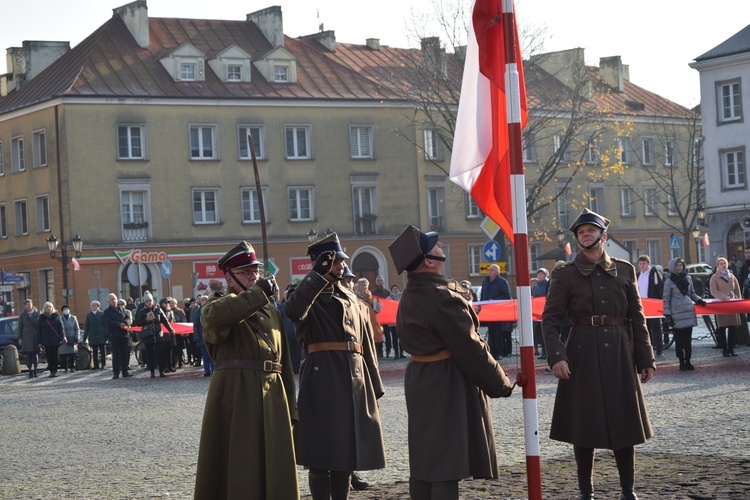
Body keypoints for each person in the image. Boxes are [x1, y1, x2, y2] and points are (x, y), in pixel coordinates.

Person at [388, 225, 513, 499]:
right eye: (435, 245)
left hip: (422, 378)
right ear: (429, 261)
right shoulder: (441, 298)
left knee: (425, 461)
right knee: (445, 464)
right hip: (445, 382)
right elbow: (470, 349)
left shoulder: (413, 292)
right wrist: (502, 384)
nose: (441, 244)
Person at [542, 208, 656, 500]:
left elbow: (637, 317)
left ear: (603, 236)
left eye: (591, 230)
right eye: (581, 232)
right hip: (581, 352)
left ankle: (628, 491)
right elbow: (550, 320)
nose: (585, 235)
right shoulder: (565, 274)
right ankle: (585, 491)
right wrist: (557, 356)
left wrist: (645, 358)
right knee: (584, 423)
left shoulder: (625, 269)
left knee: (625, 422)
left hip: (619, 350)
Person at [285, 232, 385, 500]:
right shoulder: (306, 291)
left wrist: (374, 384)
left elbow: (364, 342)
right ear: (320, 264)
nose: (342, 266)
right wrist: (315, 277)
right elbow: (293, 311)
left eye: (342, 261)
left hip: (353, 377)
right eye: (335, 262)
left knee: (345, 455)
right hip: (322, 378)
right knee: (320, 454)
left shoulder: (350, 295)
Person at [194, 241, 298, 499]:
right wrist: (256, 294)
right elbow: (217, 318)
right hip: (236, 396)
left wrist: (290, 406)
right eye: (246, 273)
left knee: (275, 468)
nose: (253, 276)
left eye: (256, 272)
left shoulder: (270, 309)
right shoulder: (218, 304)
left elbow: (282, 361)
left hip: (272, 395)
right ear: (229, 278)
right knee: (240, 465)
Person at [663, 257, 706, 370]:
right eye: (677, 265)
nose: (679, 268)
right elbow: (666, 299)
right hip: (676, 313)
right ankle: (681, 361)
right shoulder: (669, 281)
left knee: (687, 339)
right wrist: (667, 314)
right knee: (679, 340)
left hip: (688, 311)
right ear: (673, 267)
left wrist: (699, 300)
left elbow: (691, 293)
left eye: (681, 265)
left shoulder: (688, 278)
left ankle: (688, 360)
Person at [134, 291, 175, 378]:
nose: (149, 302)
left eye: (150, 301)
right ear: (145, 302)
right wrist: (146, 320)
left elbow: (165, 321)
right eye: (147, 301)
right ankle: (152, 372)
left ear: (153, 301)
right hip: (148, 336)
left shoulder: (158, 309)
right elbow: (137, 322)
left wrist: (171, 330)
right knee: (150, 355)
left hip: (158, 335)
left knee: (160, 354)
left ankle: (161, 371)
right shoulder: (142, 311)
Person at [709, 256, 742, 357]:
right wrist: (723, 297)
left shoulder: (731, 276)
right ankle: (724, 350)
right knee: (722, 328)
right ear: (717, 266)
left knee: (732, 327)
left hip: (732, 304)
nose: (724, 265)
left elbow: (737, 289)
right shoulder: (714, 277)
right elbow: (713, 291)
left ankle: (731, 349)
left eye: (725, 263)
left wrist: (738, 299)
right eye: (721, 263)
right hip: (721, 304)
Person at [480, 263, 512, 359]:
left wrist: (494, 300)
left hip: (498, 310)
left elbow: (506, 296)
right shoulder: (485, 282)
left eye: (492, 270)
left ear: (497, 272)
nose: (490, 271)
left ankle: (499, 352)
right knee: (491, 331)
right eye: (489, 270)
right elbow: (483, 295)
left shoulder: (502, 282)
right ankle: (491, 352)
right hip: (488, 310)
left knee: (498, 332)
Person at [636, 255, 665, 356]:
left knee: (656, 326)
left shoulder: (653, 273)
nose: (642, 265)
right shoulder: (638, 275)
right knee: (646, 327)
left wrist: (661, 301)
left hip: (652, 303)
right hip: (642, 304)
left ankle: (659, 348)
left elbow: (659, 287)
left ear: (648, 263)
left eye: (644, 263)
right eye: (640, 264)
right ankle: (649, 347)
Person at [355, 277, 385, 359]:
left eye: (365, 285)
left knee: (374, 334)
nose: (364, 287)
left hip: (371, 317)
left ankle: (377, 351)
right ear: (358, 286)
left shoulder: (370, 295)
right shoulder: (356, 295)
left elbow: (375, 308)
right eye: (362, 285)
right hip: (361, 316)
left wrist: (377, 304)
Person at [103, 293, 132, 379]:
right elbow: (108, 322)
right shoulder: (107, 311)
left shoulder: (122, 309)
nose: (113, 301)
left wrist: (125, 323)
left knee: (125, 354)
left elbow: (128, 318)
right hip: (115, 336)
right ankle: (116, 372)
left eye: (114, 299)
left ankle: (125, 371)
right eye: (111, 299)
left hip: (124, 335)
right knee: (115, 355)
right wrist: (119, 324)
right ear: (108, 301)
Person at [39, 302, 65, 378]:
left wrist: (61, 338)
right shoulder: (42, 317)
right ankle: (51, 370)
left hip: (55, 339)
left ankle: (55, 370)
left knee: (55, 356)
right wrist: (40, 341)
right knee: (49, 356)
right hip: (46, 340)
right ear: (44, 308)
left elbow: (61, 328)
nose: (48, 308)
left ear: (52, 307)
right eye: (47, 307)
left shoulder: (56, 316)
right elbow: (39, 330)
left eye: (50, 307)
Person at [18, 299, 41, 378]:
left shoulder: (38, 313)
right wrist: (20, 338)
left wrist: (41, 337)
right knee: (28, 355)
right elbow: (20, 327)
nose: (28, 306)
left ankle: (35, 370)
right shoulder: (23, 315)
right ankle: (30, 371)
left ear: (32, 304)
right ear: (25, 306)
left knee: (35, 354)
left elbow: (41, 327)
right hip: (26, 338)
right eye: (26, 305)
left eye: (29, 304)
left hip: (35, 337)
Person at [191, 294, 213, 376]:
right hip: (202, 336)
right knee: (205, 355)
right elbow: (195, 325)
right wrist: (196, 337)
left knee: (212, 354)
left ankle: (213, 370)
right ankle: (207, 370)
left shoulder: (212, 310)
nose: (204, 301)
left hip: (211, 336)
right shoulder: (198, 312)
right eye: (203, 300)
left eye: (205, 300)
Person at [84, 301, 108, 370]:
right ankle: (96, 365)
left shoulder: (102, 314)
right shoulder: (89, 315)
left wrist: (106, 335)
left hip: (101, 335)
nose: (94, 306)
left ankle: (103, 364)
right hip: (93, 336)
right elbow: (87, 327)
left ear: (98, 306)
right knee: (94, 352)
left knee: (102, 351)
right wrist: (85, 337)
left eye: (96, 305)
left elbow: (105, 325)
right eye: (93, 305)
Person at [532, 268, 550, 359]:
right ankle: (541, 351)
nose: (540, 276)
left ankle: (546, 352)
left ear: (545, 275)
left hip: (544, 311)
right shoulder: (535, 286)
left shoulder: (548, 284)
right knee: (537, 332)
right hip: (536, 313)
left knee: (544, 332)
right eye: (538, 274)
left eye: (542, 274)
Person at [59, 304, 80, 373]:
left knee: (72, 354)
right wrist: (62, 337)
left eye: (67, 309)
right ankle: (65, 368)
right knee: (64, 354)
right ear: (62, 311)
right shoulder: (60, 318)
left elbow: (77, 329)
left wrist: (77, 338)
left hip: (72, 338)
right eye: (64, 310)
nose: (66, 310)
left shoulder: (73, 318)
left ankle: (72, 367)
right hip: (64, 338)